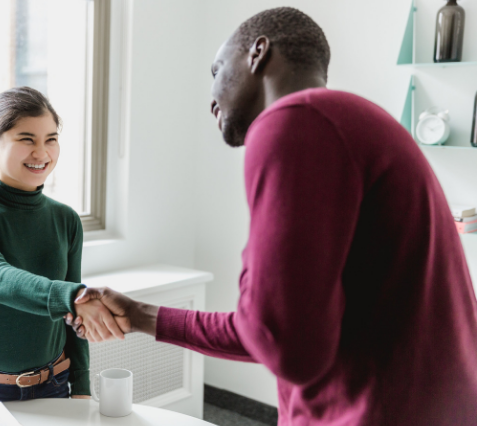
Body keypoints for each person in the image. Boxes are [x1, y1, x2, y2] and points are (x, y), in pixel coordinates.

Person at [65, 7, 477, 425]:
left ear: (257, 53)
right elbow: (286, 330)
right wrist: (138, 315)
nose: (211, 99)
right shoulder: (357, 120)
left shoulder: (296, 120)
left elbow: (284, 345)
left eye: (217, 71)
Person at [0, 87, 123, 407]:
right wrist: (73, 296)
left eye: (50, 139)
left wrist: (80, 383)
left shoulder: (66, 219)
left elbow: (72, 315)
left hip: (53, 381)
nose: (41, 153)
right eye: (27, 139)